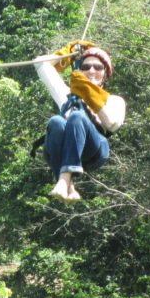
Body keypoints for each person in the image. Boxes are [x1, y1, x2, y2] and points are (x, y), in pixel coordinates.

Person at [34, 41, 126, 202]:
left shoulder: (114, 100)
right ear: (79, 70)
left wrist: (89, 94)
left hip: (93, 150)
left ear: (105, 73)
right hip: (62, 149)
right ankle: (66, 183)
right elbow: (40, 64)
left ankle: (63, 180)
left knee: (77, 116)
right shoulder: (69, 96)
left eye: (98, 68)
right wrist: (66, 54)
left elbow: (111, 124)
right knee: (56, 121)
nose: (91, 71)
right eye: (86, 67)